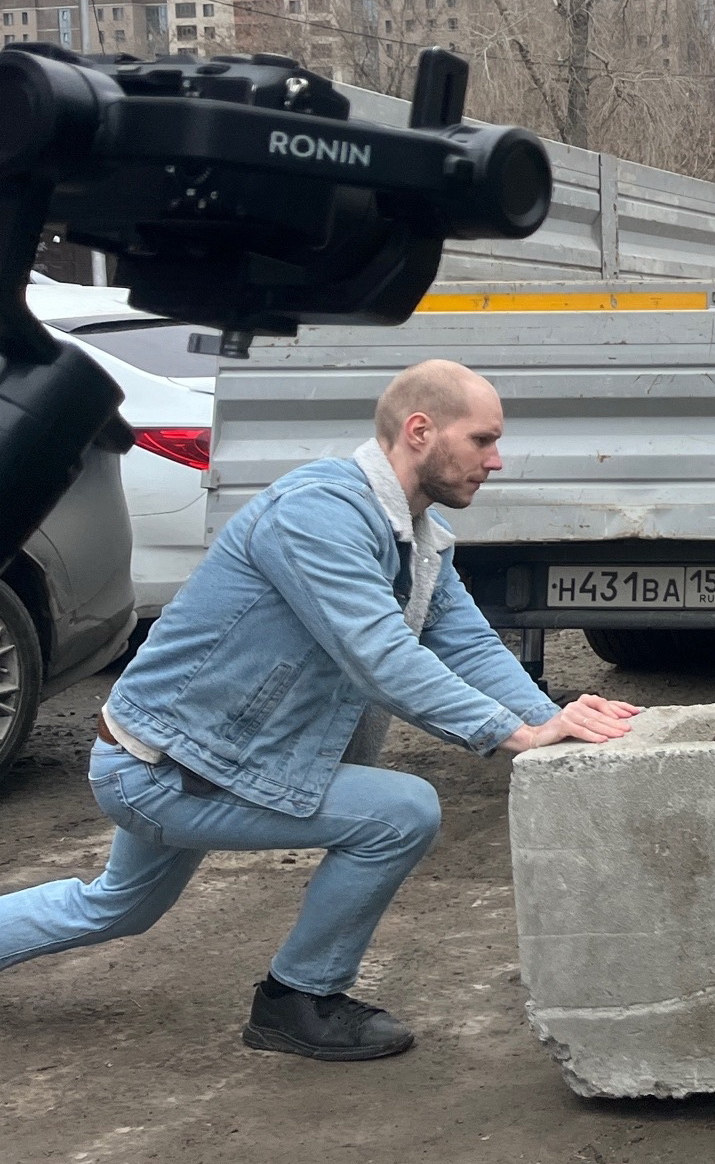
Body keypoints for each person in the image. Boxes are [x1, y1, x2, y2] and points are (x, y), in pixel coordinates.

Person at [0, 360, 637, 1062]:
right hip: (168, 768)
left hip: (199, 758)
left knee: (118, 904)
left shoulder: (419, 538)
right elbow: (380, 655)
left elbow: (469, 646)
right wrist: (513, 735)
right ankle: (297, 999)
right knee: (400, 812)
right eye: (483, 440)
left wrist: (557, 720)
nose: (496, 459)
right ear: (420, 431)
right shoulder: (317, 515)